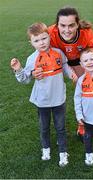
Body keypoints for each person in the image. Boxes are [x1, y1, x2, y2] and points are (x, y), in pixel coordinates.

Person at [32, 6, 93, 139]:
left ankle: (83, 123)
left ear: (77, 24)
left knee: (86, 88)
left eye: (71, 25)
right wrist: (33, 71)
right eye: (62, 25)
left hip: (79, 62)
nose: (66, 30)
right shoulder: (50, 33)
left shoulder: (87, 34)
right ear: (57, 25)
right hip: (58, 62)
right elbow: (37, 55)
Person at [10, 22, 77, 167]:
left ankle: (63, 152)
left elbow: (64, 65)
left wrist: (71, 73)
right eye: (37, 40)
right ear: (31, 43)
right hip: (42, 101)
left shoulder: (58, 53)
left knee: (60, 127)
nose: (41, 43)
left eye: (44, 38)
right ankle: (46, 149)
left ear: (49, 37)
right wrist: (18, 69)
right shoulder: (32, 59)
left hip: (59, 98)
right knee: (44, 127)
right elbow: (25, 79)